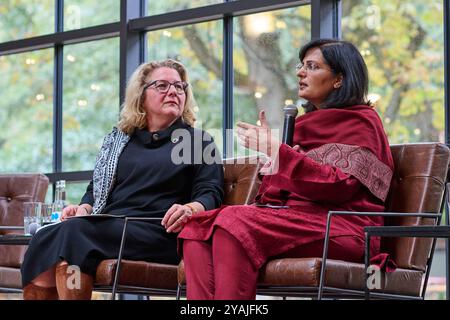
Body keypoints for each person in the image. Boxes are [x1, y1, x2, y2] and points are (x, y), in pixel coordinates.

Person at [178, 39, 394, 300]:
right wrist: (275, 163)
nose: (301, 73)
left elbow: (339, 186)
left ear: (339, 79)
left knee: (232, 222)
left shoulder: (362, 122)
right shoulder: (303, 124)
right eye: (301, 66)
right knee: (196, 228)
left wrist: (277, 152)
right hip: (298, 220)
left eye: (312, 67)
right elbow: (281, 192)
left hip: (342, 226)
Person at [21, 59, 224, 300]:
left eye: (180, 87)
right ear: (141, 94)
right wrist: (84, 207)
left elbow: (211, 192)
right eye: (162, 85)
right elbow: (95, 190)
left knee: (75, 234)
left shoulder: (196, 141)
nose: (173, 91)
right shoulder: (120, 140)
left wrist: (191, 208)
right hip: (109, 227)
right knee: (47, 236)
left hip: (159, 230)